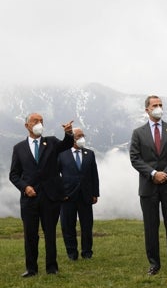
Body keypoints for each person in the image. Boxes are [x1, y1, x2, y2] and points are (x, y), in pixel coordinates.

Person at [9, 113, 74, 277]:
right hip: (29, 199)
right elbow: (14, 175)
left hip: (50, 197)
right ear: (27, 126)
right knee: (30, 235)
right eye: (35, 121)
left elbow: (66, 145)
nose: (39, 124)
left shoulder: (51, 142)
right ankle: (31, 269)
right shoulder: (18, 148)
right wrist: (25, 187)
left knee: (50, 234)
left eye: (42, 121)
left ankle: (52, 267)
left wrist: (68, 133)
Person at [130, 95, 167, 276]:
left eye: (161, 105)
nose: (159, 107)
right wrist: (153, 173)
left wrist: (165, 174)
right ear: (147, 109)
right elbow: (135, 158)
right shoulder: (138, 133)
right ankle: (154, 264)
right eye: (155, 105)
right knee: (151, 227)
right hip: (148, 186)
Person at [58, 127, 100, 260]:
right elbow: (55, 175)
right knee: (68, 226)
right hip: (67, 196)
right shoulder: (62, 154)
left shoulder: (90, 154)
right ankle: (72, 254)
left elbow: (94, 174)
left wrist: (95, 193)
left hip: (86, 196)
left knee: (87, 226)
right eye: (78, 136)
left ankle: (87, 253)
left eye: (83, 135)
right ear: (72, 138)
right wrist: (60, 192)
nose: (82, 138)